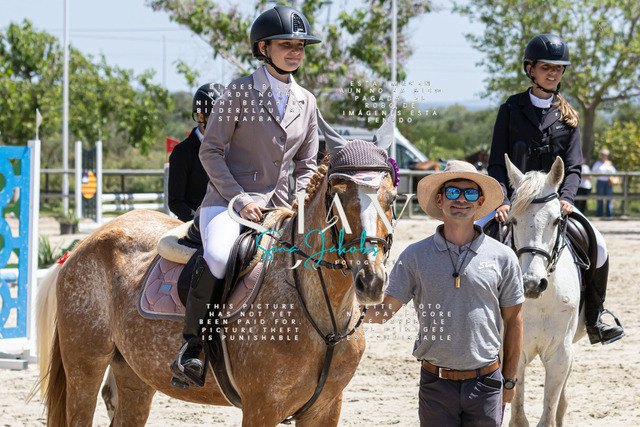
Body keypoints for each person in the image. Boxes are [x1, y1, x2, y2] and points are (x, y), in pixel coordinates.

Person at [170, 5, 321, 389]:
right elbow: (210, 152)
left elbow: (307, 163)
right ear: (263, 48)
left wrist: (301, 201)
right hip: (226, 202)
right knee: (220, 255)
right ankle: (192, 347)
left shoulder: (307, 100)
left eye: (300, 46)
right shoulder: (238, 92)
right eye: (286, 45)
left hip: (281, 206)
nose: (295, 52)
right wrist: (238, 200)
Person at [486, 33, 624, 345]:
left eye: (558, 68)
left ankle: (595, 317)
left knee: (599, 246)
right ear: (530, 69)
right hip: (516, 202)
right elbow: (496, 162)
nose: (553, 73)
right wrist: (502, 200)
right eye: (546, 67)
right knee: (476, 237)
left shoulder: (568, 115)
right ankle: (473, 314)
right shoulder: (510, 109)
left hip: (553, 202)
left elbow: (573, 167)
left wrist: (567, 198)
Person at [366, 161, 524, 426]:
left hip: (486, 383)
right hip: (435, 384)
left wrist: (509, 380)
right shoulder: (415, 256)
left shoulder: (503, 257)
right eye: (452, 192)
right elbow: (383, 312)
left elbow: (514, 321)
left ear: (480, 201)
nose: (461, 199)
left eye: (469, 193)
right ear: (439, 200)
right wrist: (345, 311)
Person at [168, 82, 225, 222]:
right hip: (195, 223)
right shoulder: (182, 152)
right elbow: (176, 202)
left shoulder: (233, 148)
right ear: (201, 116)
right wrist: (199, 221)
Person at [592, 148, 616, 218]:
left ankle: (609, 215)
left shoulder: (609, 163)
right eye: (602, 155)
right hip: (600, 182)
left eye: (605, 155)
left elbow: (614, 172)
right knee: (600, 199)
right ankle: (599, 215)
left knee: (609, 199)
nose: (604, 156)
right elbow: (594, 171)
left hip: (608, 182)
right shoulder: (597, 163)